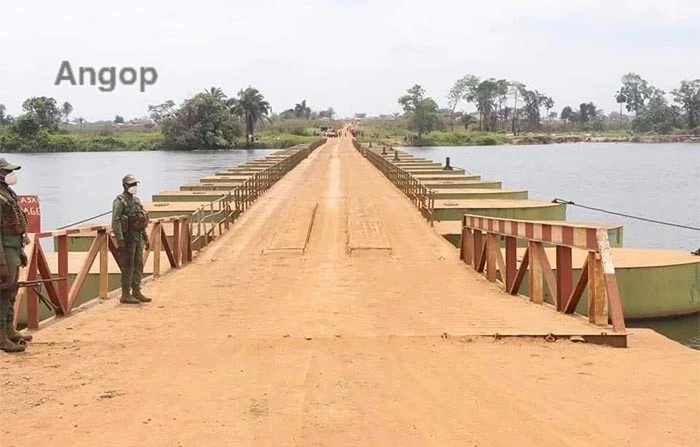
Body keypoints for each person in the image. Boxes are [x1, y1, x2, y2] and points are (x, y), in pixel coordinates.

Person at [0, 158, 31, 353]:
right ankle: (1, 338)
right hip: (4, 251)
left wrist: (20, 251)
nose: (12, 174)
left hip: (13, 248)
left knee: (12, 291)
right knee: (4, 292)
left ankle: (10, 331)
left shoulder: (8, 194)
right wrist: (2, 264)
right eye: (8, 171)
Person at [112, 174, 151, 304]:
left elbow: (142, 221)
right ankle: (125, 294)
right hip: (127, 239)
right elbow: (115, 221)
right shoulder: (119, 201)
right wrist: (120, 240)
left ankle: (136, 291)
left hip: (138, 237)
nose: (134, 187)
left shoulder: (137, 201)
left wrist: (146, 239)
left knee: (138, 264)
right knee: (127, 266)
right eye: (131, 185)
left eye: (135, 185)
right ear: (125, 186)